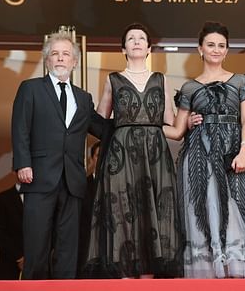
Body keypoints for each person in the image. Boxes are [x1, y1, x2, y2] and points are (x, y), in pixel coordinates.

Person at [164, 21, 245, 278]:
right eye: (211, 45)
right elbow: (176, 131)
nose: (216, 50)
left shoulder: (241, 82)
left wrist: (244, 151)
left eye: (221, 45)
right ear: (200, 49)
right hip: (198, 159)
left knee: (235, 212)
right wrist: (137, 124)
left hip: (234, 156)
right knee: (203, 214)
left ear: (227, 49)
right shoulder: (189, 88)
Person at [83, 23, 182, 278]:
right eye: (131, 38)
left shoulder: (161, 80)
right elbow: (101, 122)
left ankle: (148, 278)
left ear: (149, 48)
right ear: (123, 48)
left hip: (155, 155)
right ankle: (125, 278)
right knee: (124, 212)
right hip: (121, 156)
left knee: (153, 212)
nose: (136, 41)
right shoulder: (112, 79)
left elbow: (170, 123)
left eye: (141, 38)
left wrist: (188, 121)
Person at [11, 31, 102, 279]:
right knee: (37, 247)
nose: (60, 58)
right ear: (47, 60)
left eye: (66, 54)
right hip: (38, 177)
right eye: (55, 54)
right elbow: (20, 128)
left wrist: (137, 126)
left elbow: (101, 128)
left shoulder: (83, 98)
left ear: (74, 62)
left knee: (68, 251)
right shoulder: (30, 88)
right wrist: (22, 163)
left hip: (73, 182)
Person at [77, 141, 100, 276]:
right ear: (92, 158)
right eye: (98, 155)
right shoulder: (81, 186)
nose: (102, 157)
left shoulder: (118, 186)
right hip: (86, 252)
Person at [0, 184, 23, 279]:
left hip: (39, 265)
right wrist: (19, 257)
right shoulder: (2, 198)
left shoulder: (44, 199)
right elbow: (0, 232)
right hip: (9, 264)